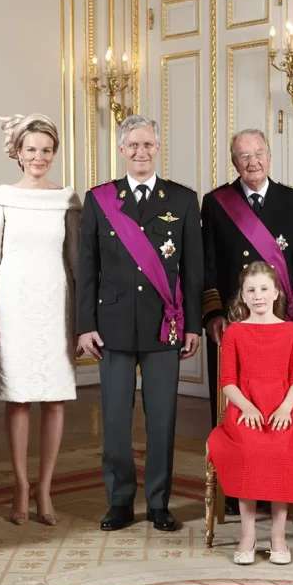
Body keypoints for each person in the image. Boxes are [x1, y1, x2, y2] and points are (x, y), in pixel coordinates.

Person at [77, 115, 202, 532]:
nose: (140, 152)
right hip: (111, 322)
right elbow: (87, 268)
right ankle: (119, 501)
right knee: (114, 417)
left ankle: (159, 501)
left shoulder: (183, 199)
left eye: (147, 145)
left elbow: (194, 270)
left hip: (162, 324)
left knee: (162, 416)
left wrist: (193, 325)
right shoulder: (100, 199)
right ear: (121, 150)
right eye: (132, 145)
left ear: (158, 148)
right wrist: (84, 324)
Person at [0, 114, 81, 526]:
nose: (39, 157)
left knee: (55, 398)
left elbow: (76, 262)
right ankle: (21, 486)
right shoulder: (1, 196)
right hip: (12, 304)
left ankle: (45, 488)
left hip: (57, 303)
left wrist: (82, 318)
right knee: (18, 398)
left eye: (46, 150)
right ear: (17, 153)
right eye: (31, 150)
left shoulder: (69, 199)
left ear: (54, 154)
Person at [200, 128, 293, 516]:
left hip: (279, 324)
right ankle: (235, 487)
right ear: (234, 162)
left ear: (270, 156)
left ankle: (276, 484)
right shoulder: (215, 203)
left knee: (278, 403)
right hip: (235, 323)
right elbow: (207, 263)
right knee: (236, 404)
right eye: (244, 156)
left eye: (259, 154)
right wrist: (213, 313)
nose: (253, 162)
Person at [207, 262, 293, 565]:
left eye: (264, 289)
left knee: (284, 450)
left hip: (286, 407)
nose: (258, 295)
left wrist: (286, 407)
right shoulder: (235, 332)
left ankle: (278, 534)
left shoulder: (291, 331)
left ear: (276, 292)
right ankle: (248, 534)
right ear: (243, 297)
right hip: (247, 408)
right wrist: (246, 406)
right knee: (248, 450)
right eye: (251, 290)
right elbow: (227, 382)